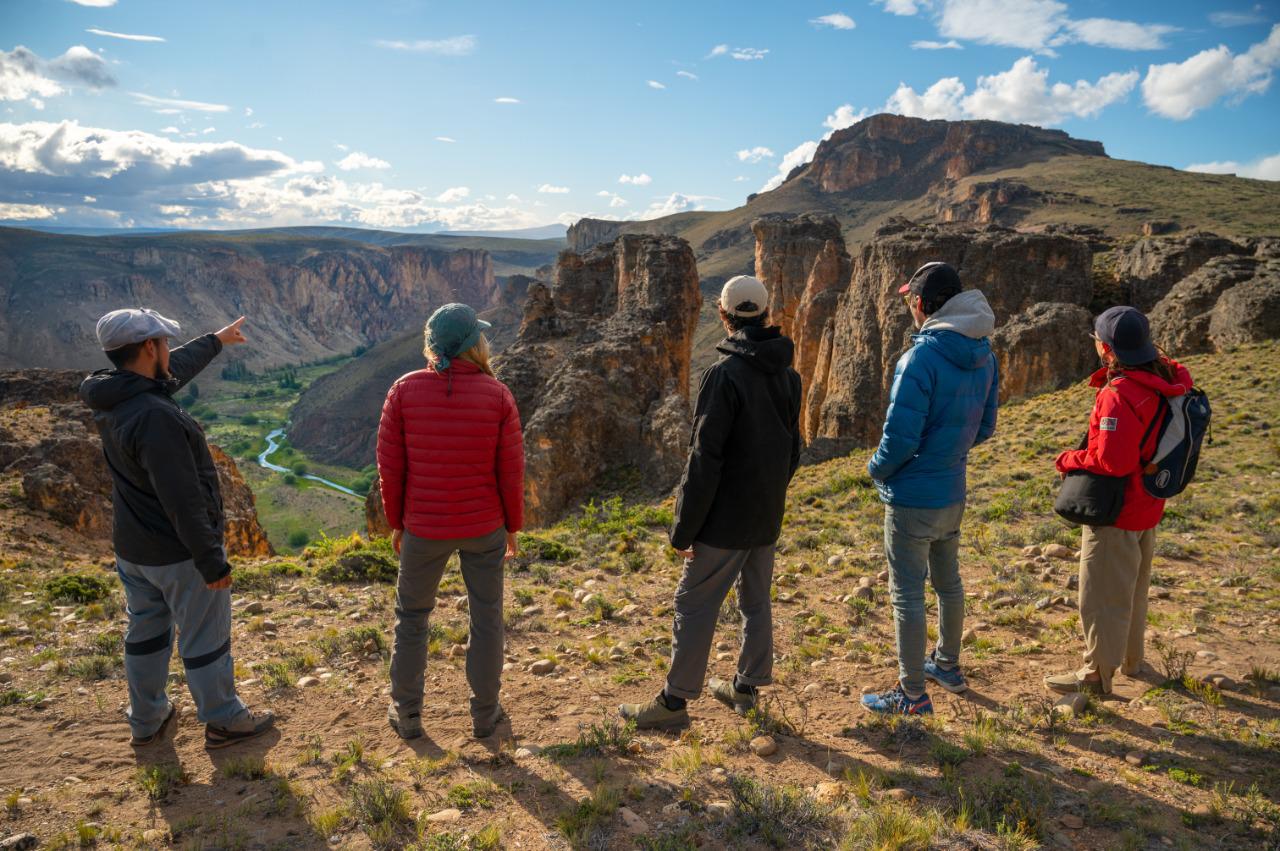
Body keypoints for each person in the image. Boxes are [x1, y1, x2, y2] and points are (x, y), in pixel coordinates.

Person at [79, 309, 275, 748]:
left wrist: (216, 340)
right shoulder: (155, 417)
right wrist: (211, 561)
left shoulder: (117, 395)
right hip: (177, 553)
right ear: (149, 348)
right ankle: (224, 719)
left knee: (146, 632)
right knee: (205, 635)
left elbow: (169, 372)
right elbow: (182, 499)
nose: (168, 348)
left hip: (134, 549)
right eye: (163, 342)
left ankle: (147, 720)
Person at [619, 275, 802, 730]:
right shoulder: (789, 375)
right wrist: (771, 494)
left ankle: (673, 703)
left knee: (693, 603)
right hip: (766, 514)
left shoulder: (723, 375)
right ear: (765, 314)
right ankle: (745, 688)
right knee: (756, 601)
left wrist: (685, 528)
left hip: (724, 520)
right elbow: (793, 449)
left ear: (723, 317)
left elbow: (705, 458)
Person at [377, 303, 524, 740]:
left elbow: (390, 467)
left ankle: (406, 714)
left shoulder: (403, 390)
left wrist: (397, 522)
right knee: (487, 618)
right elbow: (510, 472)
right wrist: (512, 526)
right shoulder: (498, 395)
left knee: (413, 618)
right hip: (484, 527)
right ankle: (484, 715)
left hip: (424, 526)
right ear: (471, 345)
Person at [862, 262, 999, 716]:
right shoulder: (984, 353)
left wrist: (877, 469)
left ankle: (912, 694)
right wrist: (949, 453)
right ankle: (948, 666)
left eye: (909, 302)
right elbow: (985, 427)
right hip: (952, 492)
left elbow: (899, 438)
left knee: (907, 593)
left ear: (921, 304)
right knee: (948, 582)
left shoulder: (919, 358)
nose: (909, 309)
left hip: (912, 498)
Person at [1045, 306, 1192, 697]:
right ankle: (1131, 660)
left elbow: (1113, 461)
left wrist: (1068, 459)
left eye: (1096, 339)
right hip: (1148, 503)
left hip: (1117, 508)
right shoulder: (1166, 379)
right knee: (1132, 587)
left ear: (1107, 349)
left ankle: (1096, 676)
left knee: (1101, 594)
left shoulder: (1119, 394)